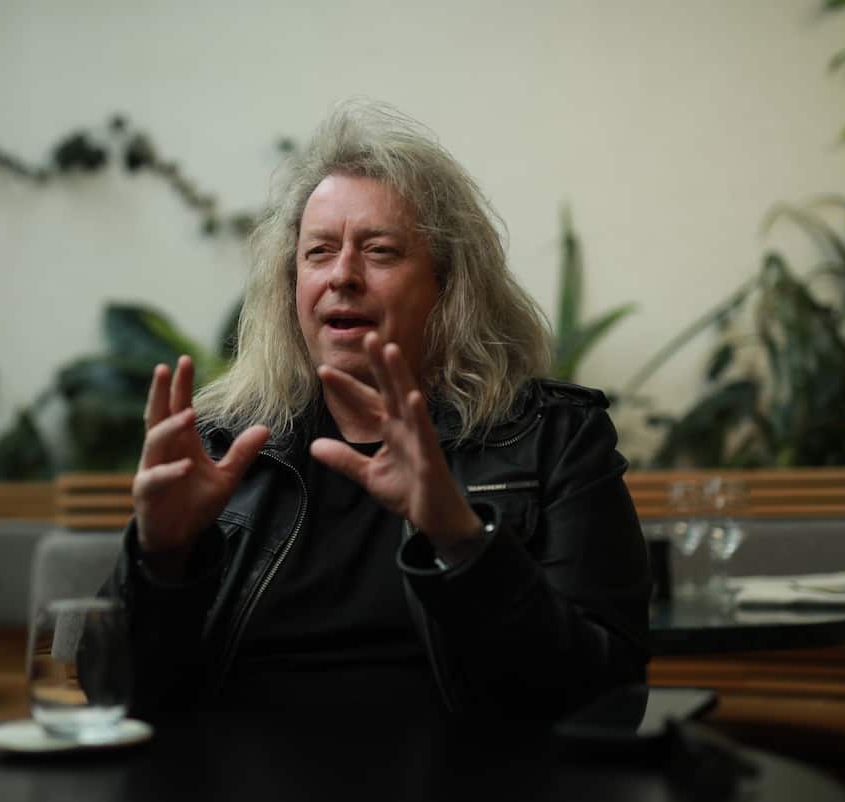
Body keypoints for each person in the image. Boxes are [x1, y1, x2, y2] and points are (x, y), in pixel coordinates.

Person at [104, 101, 650, 720]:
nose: (342, 275)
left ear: (448, 286)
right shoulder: (221, 448)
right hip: (240, 776)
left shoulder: (554, 439)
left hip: (480, 778)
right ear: (291, 287)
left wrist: (460, 538)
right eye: (318, 252)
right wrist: (161, 559)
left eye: (381, 251)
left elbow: (607, 696)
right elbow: (112, 695)